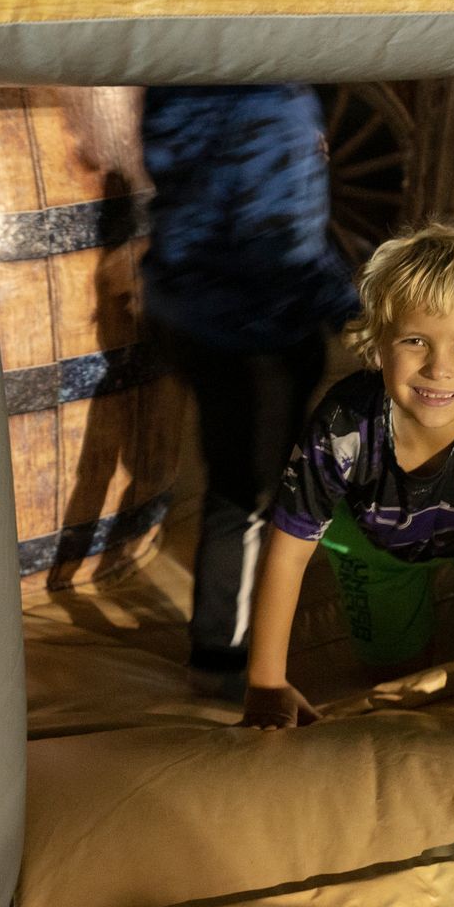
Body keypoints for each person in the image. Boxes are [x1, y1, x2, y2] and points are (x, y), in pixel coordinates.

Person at [237, 222, 454, 742]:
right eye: (416, 341)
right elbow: (288, 551)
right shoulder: (344, 424)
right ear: (377, 348)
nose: (439, 368)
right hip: (379, 548)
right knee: (393, 675)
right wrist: (265, 682)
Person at [134, 85, 359, 693]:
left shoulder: (175, 86)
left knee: (232, 479)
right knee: (248, 499)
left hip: (187, 311)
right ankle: (223, 659)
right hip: (257, 330)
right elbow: (281, 242)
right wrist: (359, 313)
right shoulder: (275, 102)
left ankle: (231, 640)